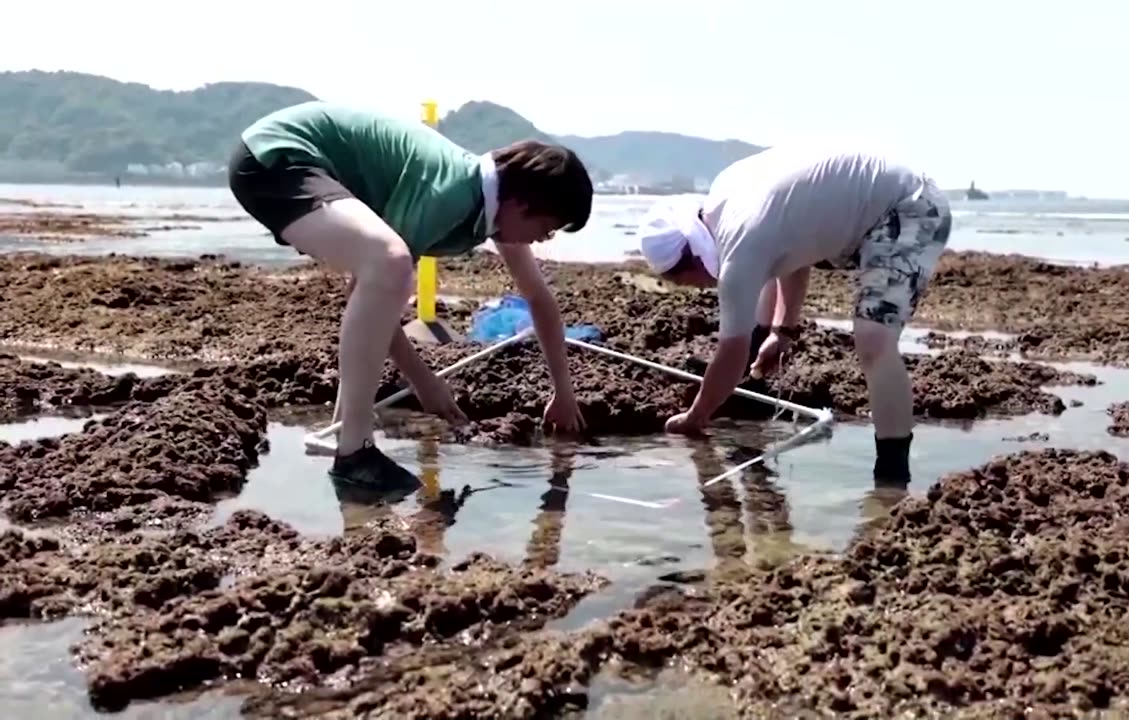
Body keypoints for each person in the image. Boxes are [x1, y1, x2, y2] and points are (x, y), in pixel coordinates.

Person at [229, 101, 591, 489]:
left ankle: (345, 435)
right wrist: (423, 380)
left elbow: (539, 299)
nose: (543, 239)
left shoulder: (494, 207)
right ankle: (354, 453)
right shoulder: (451, 192)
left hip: (300, 164)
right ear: (521, 203)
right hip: (278, 158)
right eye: (547, 227)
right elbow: (368, 288)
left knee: (387, 265)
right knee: (389, 261)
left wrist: (563, 393)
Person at [636, 146, 952, 483]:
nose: (701, 289)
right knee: (763, 293)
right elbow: (794, 247)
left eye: (690, 284)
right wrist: (781, 330)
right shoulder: (728, 202)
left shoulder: (739, 247)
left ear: (695, 259)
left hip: (909, 207)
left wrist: (694, 418)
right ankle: (756, 378)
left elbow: (730, 354)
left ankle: (891, 477)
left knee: (874, 339)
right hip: (866, 212)